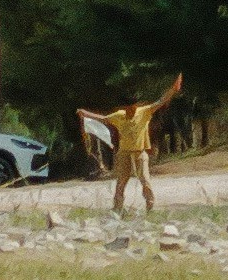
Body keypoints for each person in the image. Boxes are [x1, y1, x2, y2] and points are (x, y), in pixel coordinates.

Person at [79, 72, 185, 216]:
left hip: (140, 151)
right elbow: (103, 118)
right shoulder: (119, 115)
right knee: (121, 181)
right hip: (124, 153)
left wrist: (173, 90)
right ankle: (117, 208)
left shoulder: (144, 112)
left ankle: (150, 207)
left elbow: (161, 101)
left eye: (133, 107)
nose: (131, 109)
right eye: (129, 107)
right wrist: (85, 113)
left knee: (145, 180)